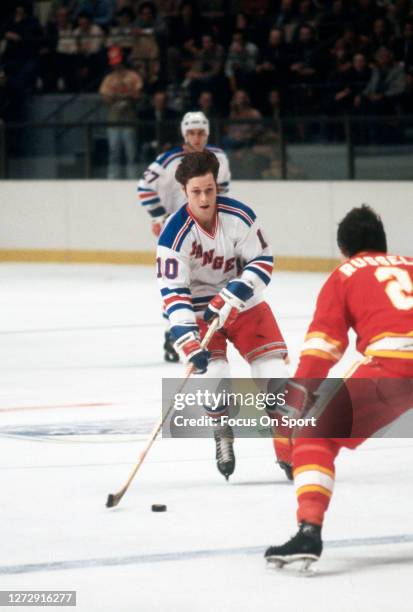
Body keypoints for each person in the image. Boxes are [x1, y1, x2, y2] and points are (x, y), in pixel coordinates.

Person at [265, 205, 413, 566]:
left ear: (344, 251)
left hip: (392, 368)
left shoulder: (344, 273)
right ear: (383, 244)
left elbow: (323, 346)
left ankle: (308, 532)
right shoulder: (410, 262)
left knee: (316, 435)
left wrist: (297, 402)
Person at [156, 150, 290, 479]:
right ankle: (222, 431)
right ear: (184, 192)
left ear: (217, 186)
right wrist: (187, 340)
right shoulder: (173, 236)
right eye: (196, 192)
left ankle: (289, 450)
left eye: (209, 190)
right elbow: (173, 293)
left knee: (274, 375)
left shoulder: (239, 216)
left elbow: (263, 261)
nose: (204, 199)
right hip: (201, 313)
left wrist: (233, 292)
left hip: (245, 305)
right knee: (216, 379)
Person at [137, 111, 231, 362]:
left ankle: (200, 329)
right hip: (177, 232)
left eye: (201, 132)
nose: (197, 137)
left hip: (208, 232)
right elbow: (144, 188)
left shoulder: (219, 157)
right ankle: (173, 332)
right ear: (184, 133)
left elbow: (223, 192)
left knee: (205, 281)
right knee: (177, 283)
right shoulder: (167, 160)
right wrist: (159, 217)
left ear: (207, 133)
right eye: (191, 133)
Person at [99, 45, 142, 179]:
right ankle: (112, 179)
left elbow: (137, 94)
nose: (116, 66)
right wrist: (118, 96)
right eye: (114, 63)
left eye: (118, 62)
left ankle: (132, 178)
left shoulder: (132, 76)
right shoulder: (109, 79)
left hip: (129, 119)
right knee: (114, 152)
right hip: (113, 120)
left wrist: (125, 95)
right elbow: (104, 97)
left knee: (131, 153)